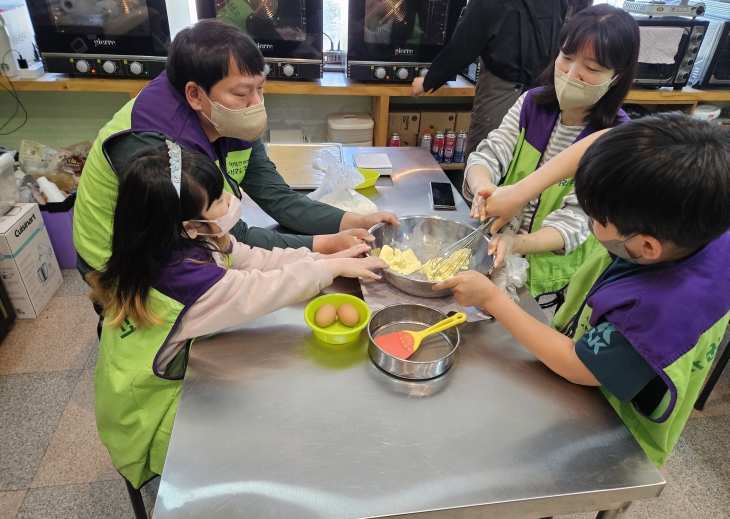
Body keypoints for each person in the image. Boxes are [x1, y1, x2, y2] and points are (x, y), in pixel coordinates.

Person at [436, 113, 730, 519]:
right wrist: (520, 192)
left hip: (615, 419)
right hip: (601, 342)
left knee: (523, 454)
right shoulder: (699, 214)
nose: (591, 224)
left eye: (596, 219)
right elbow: (603, 142)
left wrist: (493, 300)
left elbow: (579, 367)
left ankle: (503, 515)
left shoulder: (655, 311)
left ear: (646, 247)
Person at [89, 142, 388, 489]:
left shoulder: (180, 239)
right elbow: (259, 290)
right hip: (149, 412)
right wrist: (333, 266)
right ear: (189, 225)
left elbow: (254, 260)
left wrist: (324, 260)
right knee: (258, 441)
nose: (229, 200)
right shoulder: (183, 280)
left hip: (158, 376)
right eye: (217, 199)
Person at [74, 19, 399, 280]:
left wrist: (356, 220)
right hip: (120, 261)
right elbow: (225, 236)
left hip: (182, 242)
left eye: (261, 89)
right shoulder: (159, 151)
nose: (256, 104)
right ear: (195, 94)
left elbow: (278, 198)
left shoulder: (227, 115)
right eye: (244, 93)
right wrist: (323, 247)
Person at [465, 4, 639, 301]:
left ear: (617, 77)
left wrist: (517, 242)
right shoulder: (532, 105)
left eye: (592, 68)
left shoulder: (616, 141)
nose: (572, 74)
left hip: (552, 279)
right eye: (566, 58)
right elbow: (489, 153)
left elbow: (574, 223)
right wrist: (483, 187)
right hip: (498, 254)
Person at [411, 0, 568, 160]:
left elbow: (465, 44)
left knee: (482, 160)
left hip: (501, 91)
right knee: (526, 163)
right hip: (543, 93)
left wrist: (428, 81)